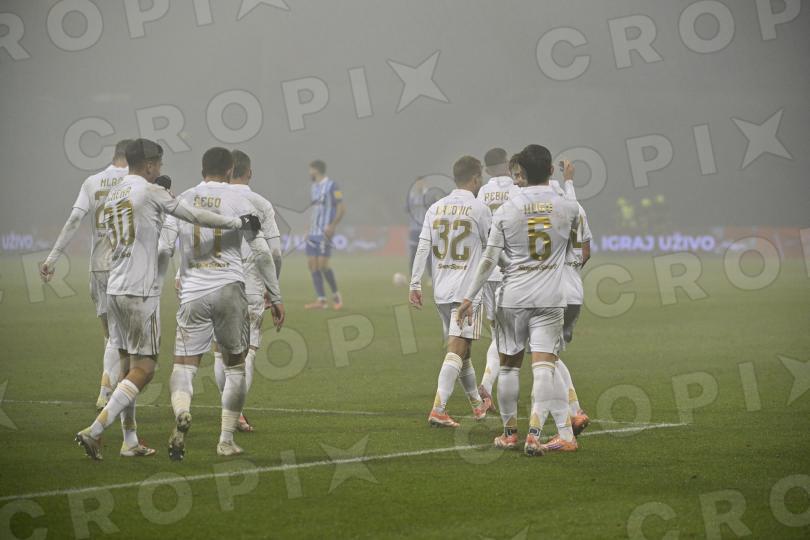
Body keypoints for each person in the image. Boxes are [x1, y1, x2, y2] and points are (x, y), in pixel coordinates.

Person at [72, 138, 259, 460]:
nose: (160, 168)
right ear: (148, 164)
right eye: (158, 163)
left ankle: (130, 440)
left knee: (127, 367)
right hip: (140, 290)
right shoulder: (151, 191)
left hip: (115, 286)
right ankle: (95, 430)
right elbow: (195, 215)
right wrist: (237, 223)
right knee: (145, 368)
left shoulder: (114, 192)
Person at [161, 147, 285, 459]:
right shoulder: (241, 201)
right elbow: (263, 253)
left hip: (192, 291)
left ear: (202, 169)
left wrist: (177, 274)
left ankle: (182, 411)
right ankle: (226, 439)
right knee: (235, 366)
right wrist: (275, 295)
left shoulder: (183, 198)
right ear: (230, 170)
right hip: (229, 289)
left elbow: (164, 246)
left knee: (184, 366)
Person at [458, 144, 580, 455]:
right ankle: (535, 435)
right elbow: (575, 251)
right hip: (551, 297)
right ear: (550, 170)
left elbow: (489, 258)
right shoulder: (568, 208)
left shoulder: (507, 209)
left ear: (521, 173)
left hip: (512, 297)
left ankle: (510, 434)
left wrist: (469, 296)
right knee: (544, 366)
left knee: (509, 367)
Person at [40, 139, 132, 410]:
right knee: (125, 337)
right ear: (132, 157)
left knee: (110, 335)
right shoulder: (136, 181)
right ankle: (112, 392)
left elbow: (74, 220)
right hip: (126, 265)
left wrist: (51, 259)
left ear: (114, 155)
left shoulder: (92, 182)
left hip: (99, 266)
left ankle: (108, 390)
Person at [409, 156, 493, 428]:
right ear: (475, 178)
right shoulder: (480, 209)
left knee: (462, 350)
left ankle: (477, 406)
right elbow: (492, 249)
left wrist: (415, 283)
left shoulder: (435, 208)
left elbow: (423, 246)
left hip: (442, 290)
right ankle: (439, 409)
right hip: (467, 293)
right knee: (458, 348)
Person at [212, 149, 283, 433]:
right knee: (248, 352)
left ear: (227, 171)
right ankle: (236, 413)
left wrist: (183, 275)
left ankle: (229, 409)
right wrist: (273, 289)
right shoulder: (261, 204)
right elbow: (274, 252)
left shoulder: (212, 199)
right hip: (251, 284)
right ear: (249, 172)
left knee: (221, 352)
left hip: (216, 281)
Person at [475, 148, 521, 408]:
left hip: (487, 268)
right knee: (512, 336)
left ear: (486, 169)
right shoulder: (516, 188)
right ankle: (489, 382)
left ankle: (489, 387)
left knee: (497, 332)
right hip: (510, 268)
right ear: (507, 163)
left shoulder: (483, 192)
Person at [304, 160, 345, 310]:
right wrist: (308, 228)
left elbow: (342, 208)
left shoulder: (333, 186)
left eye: (310, 169)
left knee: (322, 265)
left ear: (316, 170)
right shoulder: (313, 187)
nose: (309, 173)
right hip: (313, 232)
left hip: (324, 232)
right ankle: (321, 300)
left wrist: (332, 225)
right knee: (312, 265)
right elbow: (314, 210)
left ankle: (336, 295)